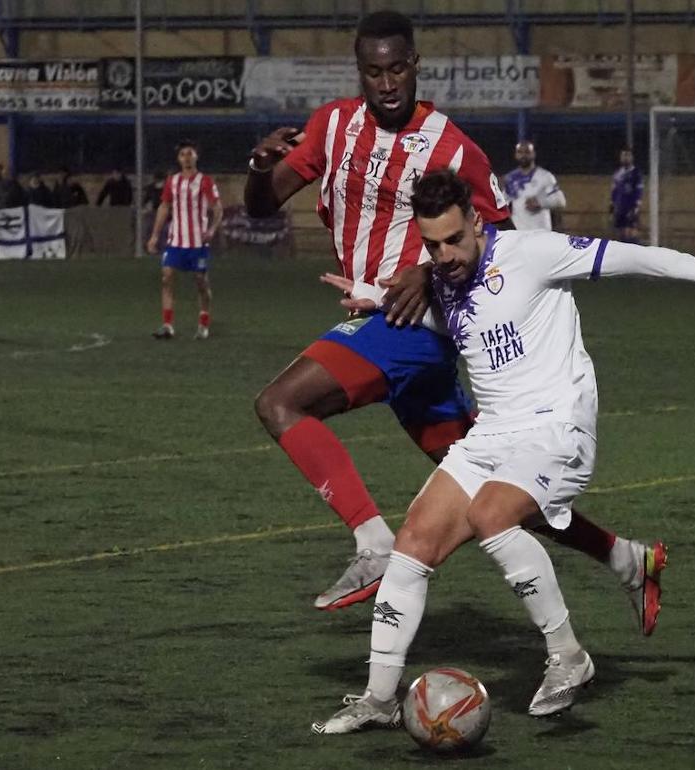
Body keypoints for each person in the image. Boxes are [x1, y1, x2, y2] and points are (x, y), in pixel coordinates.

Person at [312, 169, 695, 733]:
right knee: (413, 543)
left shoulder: (534, 252)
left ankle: (569, 656)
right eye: (433, 245)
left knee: (490, 515)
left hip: (556, 427)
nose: (444, 255)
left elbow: (639, 258)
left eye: (454, 240)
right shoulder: (444, 275)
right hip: (494, 432)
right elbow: (460, 319)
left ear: (475, 219)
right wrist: (373, 298)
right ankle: (379, 698)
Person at [245, 10, 660, 620]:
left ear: (415, 65)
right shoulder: (332, 125)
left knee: (280, 403)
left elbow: (501, 244)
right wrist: (258, 167)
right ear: (359, 73)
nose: (386, 83)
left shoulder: (450, 146)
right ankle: (627, 558)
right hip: (402, 340)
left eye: (396, 69)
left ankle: (371, 539)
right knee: (492, 487)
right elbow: (261, 205)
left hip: (411, 324)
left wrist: (427, 270)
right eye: (372, 72)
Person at [147, 140, 223, 340]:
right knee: (166, 277)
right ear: (178, 159)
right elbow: (164, 207)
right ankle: (167, 325)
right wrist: (155, 235)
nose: (187, 157)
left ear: (196, 156)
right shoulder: (172, 181)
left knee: (200, 282)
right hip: (176, 241)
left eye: (190, 153)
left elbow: (217, 208)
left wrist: (213, 229)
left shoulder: (205, 181)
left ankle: (203, 323)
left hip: (198, 242)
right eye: (183, 154)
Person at [503, 140, 566, 231]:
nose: (523, 155)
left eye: (527, 152)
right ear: (516, 155)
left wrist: (540, 202)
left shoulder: (545, 176)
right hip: (519, 233)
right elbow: (504, 203)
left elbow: (561, 201)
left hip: (541, 231)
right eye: (520, 152)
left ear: (533, 154)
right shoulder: (510, 178)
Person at [611, 145, 644, 244]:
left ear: (632, 157)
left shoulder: (636, 173)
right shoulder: (617, 173)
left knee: (631, 234)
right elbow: (614, 191)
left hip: (631, 208)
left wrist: (636, 207)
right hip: (620, 208)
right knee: (621, 235)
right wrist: (612, 207)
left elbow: (638, 191)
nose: (625, 158)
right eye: (623, 155)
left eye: (628, 155)